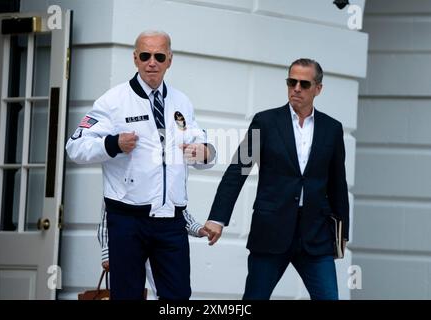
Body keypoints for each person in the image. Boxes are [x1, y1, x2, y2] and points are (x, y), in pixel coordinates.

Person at [66, 30, 216, 300]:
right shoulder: (113, 101)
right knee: (128, 296)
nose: (152, 62)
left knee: (178, 297)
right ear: (135, 58)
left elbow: (202, 150)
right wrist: (112, 144)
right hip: (128, 221)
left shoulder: (181, 101)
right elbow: (75, 147)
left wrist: (204, 153)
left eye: (159, 56)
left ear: (169, 60)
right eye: (145, 56)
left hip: (171, 222)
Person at [204, 58, 349, 300]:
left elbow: (338, 184)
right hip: (271, 231)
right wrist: (218, 217)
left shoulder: (332, 129)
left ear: (318, 89)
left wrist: (342, 233)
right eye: (292, 82)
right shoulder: (266, 122)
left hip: (314, 235)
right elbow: (239, 169)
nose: (297, 89)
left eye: (304, 83)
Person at [97, 203, 209, 299]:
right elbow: (110, 204)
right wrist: (106, 250)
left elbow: (174, 202)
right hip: (129, 234)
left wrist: (195, 226)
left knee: (176, 294)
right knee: (126, 294)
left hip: (163, 236)